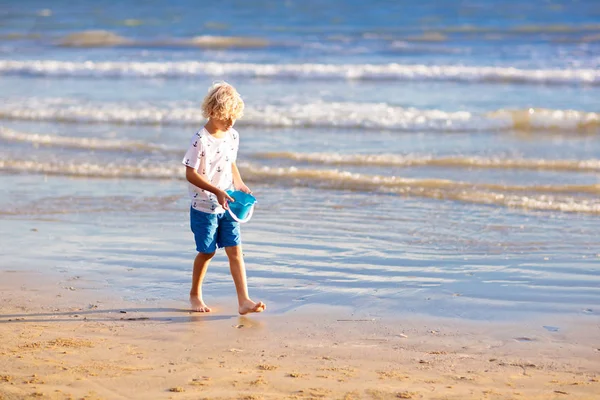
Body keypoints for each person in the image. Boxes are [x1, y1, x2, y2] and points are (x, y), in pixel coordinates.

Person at [182, 81, 265, 315]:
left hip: (227, 204)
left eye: (234, 118)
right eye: (225, 117)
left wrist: (239, 184)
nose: (230, 123)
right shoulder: (200, 139)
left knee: (235, 250)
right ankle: (195, 294)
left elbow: (230, 163)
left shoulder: (232, 136)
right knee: (207, 251)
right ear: (211, 112)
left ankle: (244, 300)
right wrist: (216, 191)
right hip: (204, 205)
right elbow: (190, 173)